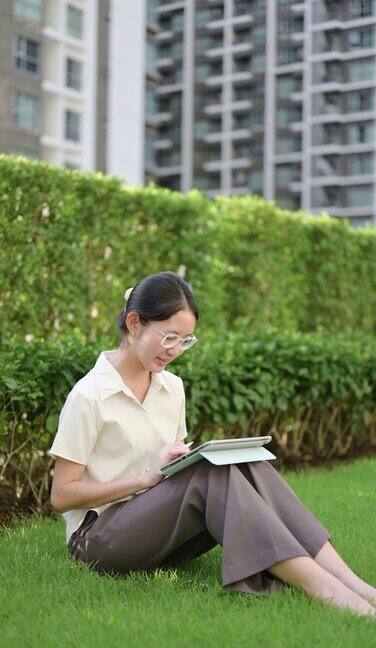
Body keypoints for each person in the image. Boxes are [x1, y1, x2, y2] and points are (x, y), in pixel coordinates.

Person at [48, 271, 376, 617]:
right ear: (134, 323)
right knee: (211, 476)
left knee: (247, 464)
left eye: (185, 341)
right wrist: (145, 478)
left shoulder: (171, 387)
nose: (175, 351)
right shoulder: (90, 395)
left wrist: (181, 461)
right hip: (97, 539)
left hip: (158, 528)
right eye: (169, 337)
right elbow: (62, 495)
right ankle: (326, 590)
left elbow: (172, 474)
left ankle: (354, 584)